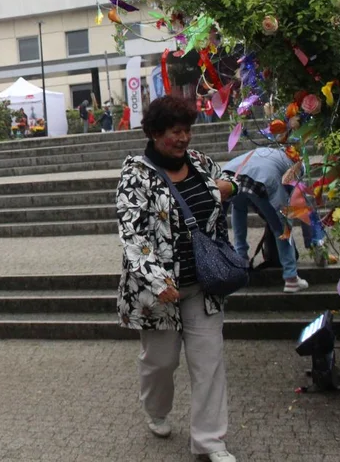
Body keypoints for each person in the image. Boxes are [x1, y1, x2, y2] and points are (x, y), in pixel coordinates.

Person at [116, 95, 238, 462]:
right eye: (174, 132)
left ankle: (210, 441)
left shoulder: (199, 162)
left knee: (209, 364)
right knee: (160, 363)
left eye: (187, 130)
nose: (183, 138)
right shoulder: (135, 174)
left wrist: (227, 187)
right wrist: (157, 281)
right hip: (159, 293)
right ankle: (156, 411)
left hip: (204, 285)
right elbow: (132, 235)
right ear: (154, 134)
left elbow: (229, 178)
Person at [223, 147, 308, 293]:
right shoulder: (296, 167)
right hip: (263, 180)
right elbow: (288, 200)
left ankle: (241, 263)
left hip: (231, 173)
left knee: (239, 208)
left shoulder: (269, 152)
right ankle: (291, 278)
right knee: (281, 227)